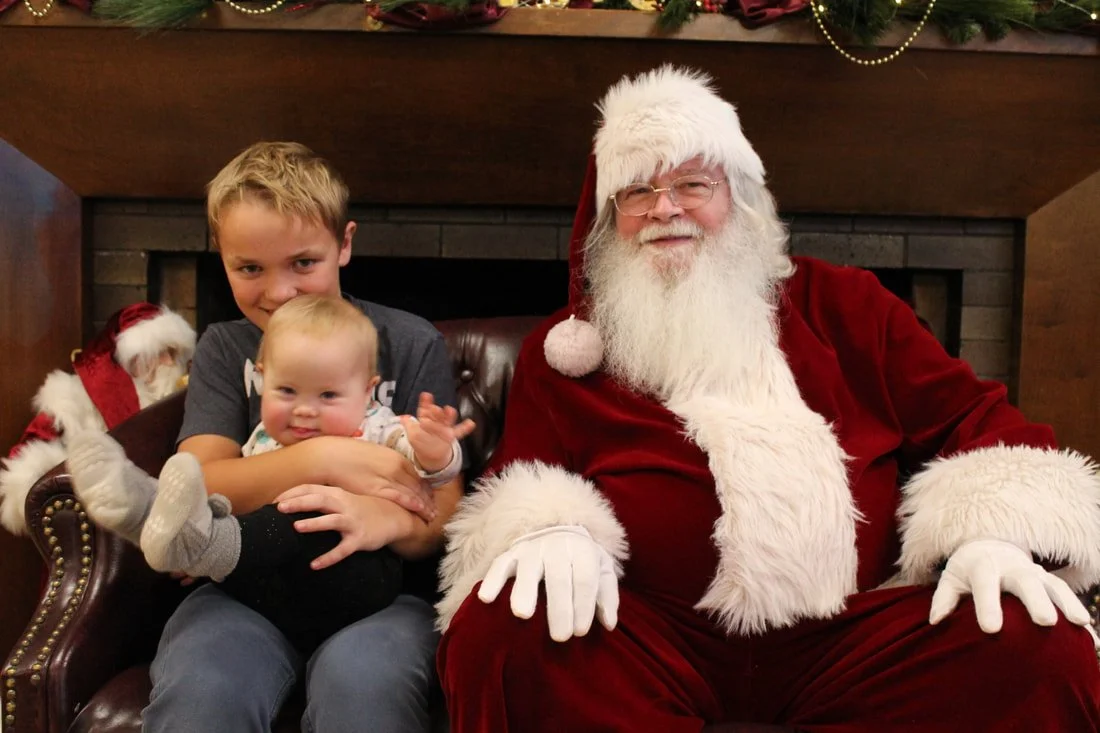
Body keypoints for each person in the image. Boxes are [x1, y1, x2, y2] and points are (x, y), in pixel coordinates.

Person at [434, 66, 1100, 732]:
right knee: (505, 628)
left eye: (692, 184)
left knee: (1035, 641)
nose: (665, 209)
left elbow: (980, 421)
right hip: (651, 642)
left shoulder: (852, 308)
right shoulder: (567, 352)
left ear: (739, 198)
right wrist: (550, 530)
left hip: (850, 641)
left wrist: (989, 539)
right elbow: (520, 474)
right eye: (638, 191)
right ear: (612, 220)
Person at [67, 141, 464, 733]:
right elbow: (200, 485)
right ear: (221, 259)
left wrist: (385, 519)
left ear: (345, 244)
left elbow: (440, 513)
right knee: (203, 691)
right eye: (249, 268)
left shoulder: (409, 342)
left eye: (304, 263)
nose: (279, 293)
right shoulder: (227, 351)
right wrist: (330, 457)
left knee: (365, 693)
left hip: (381, 598)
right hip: (242, 592)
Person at [69, 293, 473, 654]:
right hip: (269, 594)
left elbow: (430, 475)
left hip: (356, 577)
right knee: (242, 518)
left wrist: (436, 451)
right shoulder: (262, 440)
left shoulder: (378, 426)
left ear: (367, 392)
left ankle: (190, 536)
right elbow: (242, 500)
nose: (304, 410)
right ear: (261, 378)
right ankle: (165, 522)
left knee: (305, 517)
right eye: (286, 391)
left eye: (328, 395)